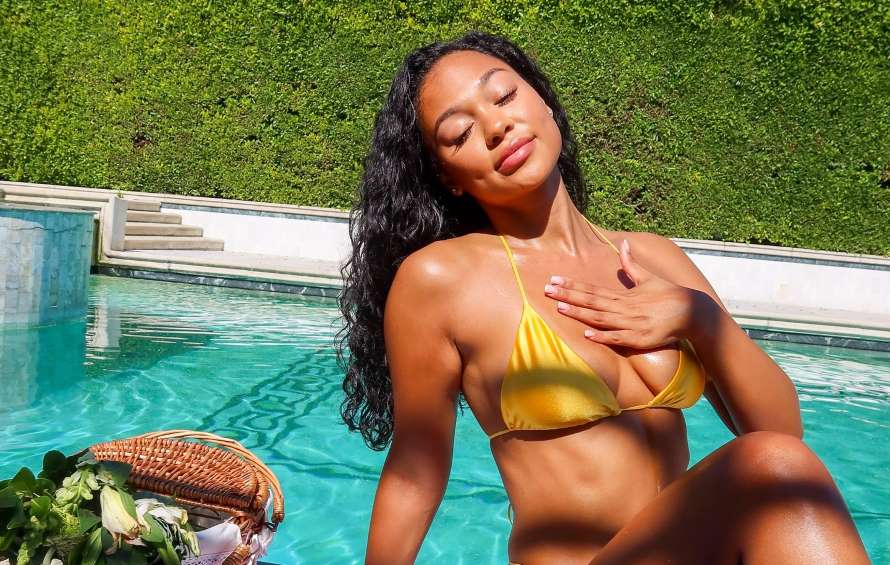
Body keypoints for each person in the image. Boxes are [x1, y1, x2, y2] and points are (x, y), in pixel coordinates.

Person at [336, 30, 870, 565]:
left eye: (504, 96)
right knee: (769, 463)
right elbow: (416, 472)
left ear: (544, 101)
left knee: (775, 464)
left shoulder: (654, 258)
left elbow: (783, 437)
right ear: (448, 177)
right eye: (460, 133)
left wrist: (703, 320)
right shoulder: (440, 279)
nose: (497, 127)